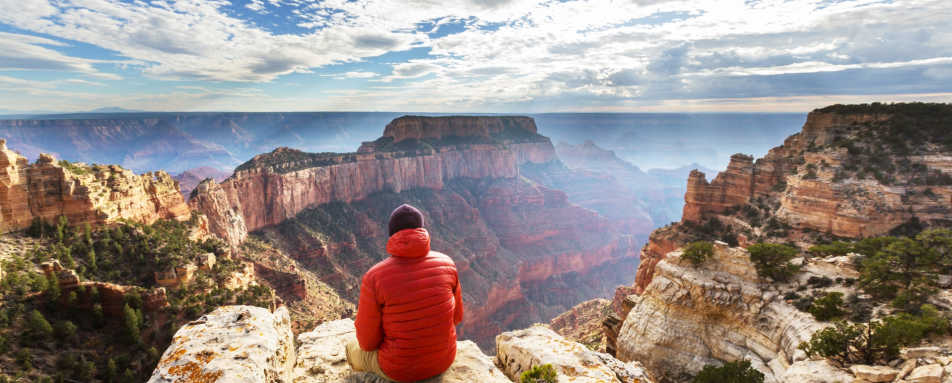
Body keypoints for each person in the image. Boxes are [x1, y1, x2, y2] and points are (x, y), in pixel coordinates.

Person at [347, 204, 464, 382]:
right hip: (443, 360)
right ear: (422, 230)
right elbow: (457, 318)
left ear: (392, 234)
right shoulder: (447, 263)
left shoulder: (374, 277)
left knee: (351, 348)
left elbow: (367, 343)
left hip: (399, 370)